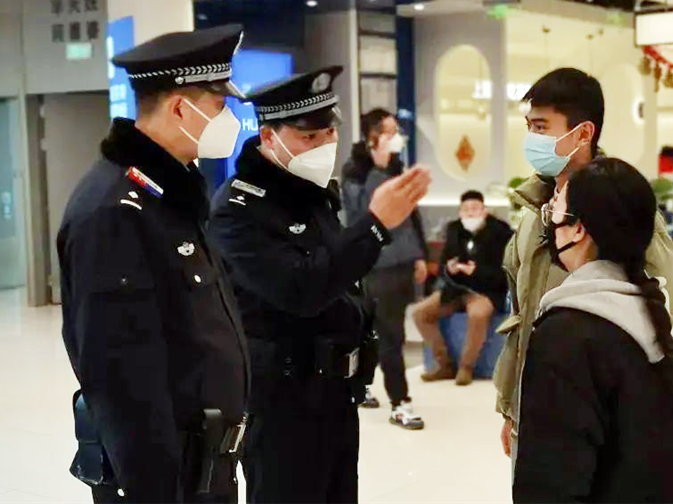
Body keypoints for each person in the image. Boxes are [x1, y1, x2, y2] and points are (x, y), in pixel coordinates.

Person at [208, 67, 431, 503]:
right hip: (283, 401)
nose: (324, 145)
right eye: (308, 136)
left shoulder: (313, 194)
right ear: (269, 137)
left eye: (329, 132)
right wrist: (375, 226)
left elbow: (341, 280)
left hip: (335, 393)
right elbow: (302, 289)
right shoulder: (238, 209)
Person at [58, 25, 250, 503]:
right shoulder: (115, 210)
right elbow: (122, 381)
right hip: (167, 481)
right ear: (180, 108)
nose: (229, 119)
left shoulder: (170, 195)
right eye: (219, 105)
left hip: (204, 468)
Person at [493, 68, 673, 466]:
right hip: (536, 408)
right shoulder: (534, 212)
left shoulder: (623, 212)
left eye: (542, 127)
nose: (532, 139)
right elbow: (522, 316)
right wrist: (512, 406)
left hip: (600, 419)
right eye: (529, 126)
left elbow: (668, 315)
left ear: (583, 133)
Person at [513, 157, 673, 503]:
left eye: (555, 209)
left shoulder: (565, 336)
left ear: (578, 228)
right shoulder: (660, 326)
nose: (550, 221)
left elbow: (549, 481)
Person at [341, 108, 428, 428]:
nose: (397, 138)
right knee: (387, 333)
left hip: (403, 260)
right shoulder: (355, 171)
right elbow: (365, 214)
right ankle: (400, 401)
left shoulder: (396, 167)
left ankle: (364, 386)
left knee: (382, 331)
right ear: (373, 137)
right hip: (377, 263)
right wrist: (377, 167)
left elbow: (410, 214)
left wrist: (419, 254)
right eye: (390, 132)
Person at [413, 190, 513, 386]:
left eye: (475, 209)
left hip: (486, 291)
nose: (470, 213)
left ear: (484, 211)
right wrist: (450, 268)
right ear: (459, 212)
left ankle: (466, 367)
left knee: (478, 314)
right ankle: (444, 364)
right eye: (465, 209)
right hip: (456, 289)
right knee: (420, 313)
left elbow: (504, 273)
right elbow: (443, 266)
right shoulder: (454, 230)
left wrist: (476, 271)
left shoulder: (501, 233)